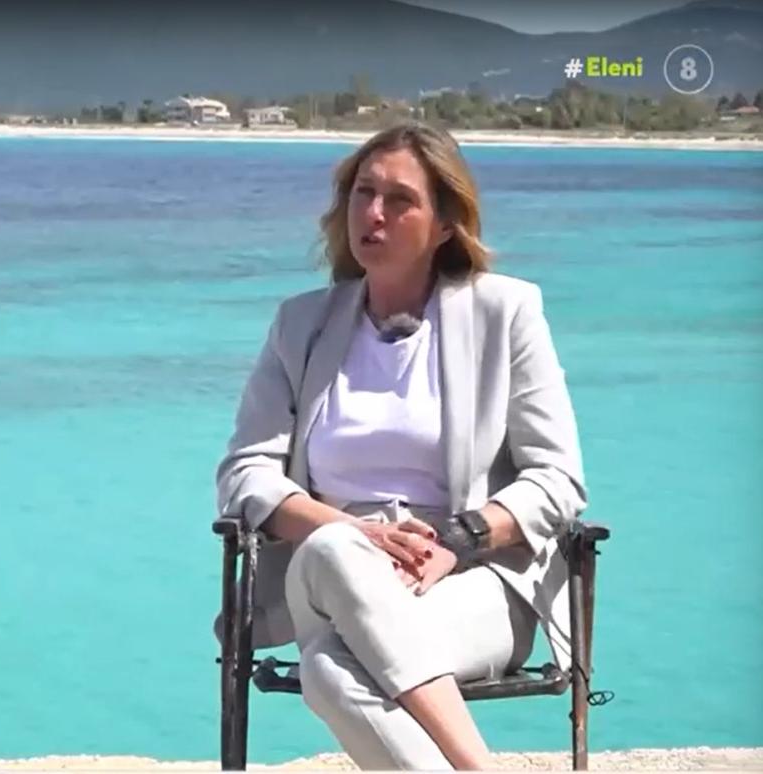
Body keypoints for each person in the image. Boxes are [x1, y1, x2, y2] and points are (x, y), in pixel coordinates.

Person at [215, 122, 587, 770]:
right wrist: (356, 533)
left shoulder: (506, 313)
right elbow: (245, 473)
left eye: (400, 199)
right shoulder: (300, 324)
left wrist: (459, 540)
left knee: (330, 670)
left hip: (472, 580)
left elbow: (558, 481)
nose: (374, 213)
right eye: (363, 192)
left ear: (445, 224)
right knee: (334, 548)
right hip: (324, 582)